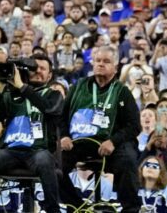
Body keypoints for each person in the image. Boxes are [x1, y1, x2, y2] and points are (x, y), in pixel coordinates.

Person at [58, 45, 141, 212]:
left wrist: (113, 141)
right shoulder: (78, 87)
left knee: (128, 159)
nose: (101, 64)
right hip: (78, 143)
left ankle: (130, 209)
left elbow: (134, 126)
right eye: (97, 60)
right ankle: (76, 206)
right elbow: (61, 117)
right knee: (51, 165)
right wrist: (64, 136)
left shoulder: (122, 92)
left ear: (115, 68)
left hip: (110, 144)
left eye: (106, 61)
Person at [0, 55, 63, 211]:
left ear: (50, 75)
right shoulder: (11, 95)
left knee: (45, 160)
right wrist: (0, 87)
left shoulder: (53, 94)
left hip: (38, 151)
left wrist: (22, 87)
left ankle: (53, 210)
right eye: (34, 68)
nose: (38, 71)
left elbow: (50, 109)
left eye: (43, 69)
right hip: (11, 151)